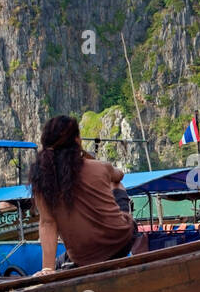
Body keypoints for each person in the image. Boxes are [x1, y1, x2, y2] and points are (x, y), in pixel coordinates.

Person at [30, 115, 138, 275]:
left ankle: (57, 267)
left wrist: (47, 269)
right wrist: (86, 155)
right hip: (121, 241)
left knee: (61, 259)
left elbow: (47, 224)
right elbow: (119, 175)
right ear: (77, 140)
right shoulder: (101, 167)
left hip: (83, 257)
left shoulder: (43, 180)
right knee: (116, 184)